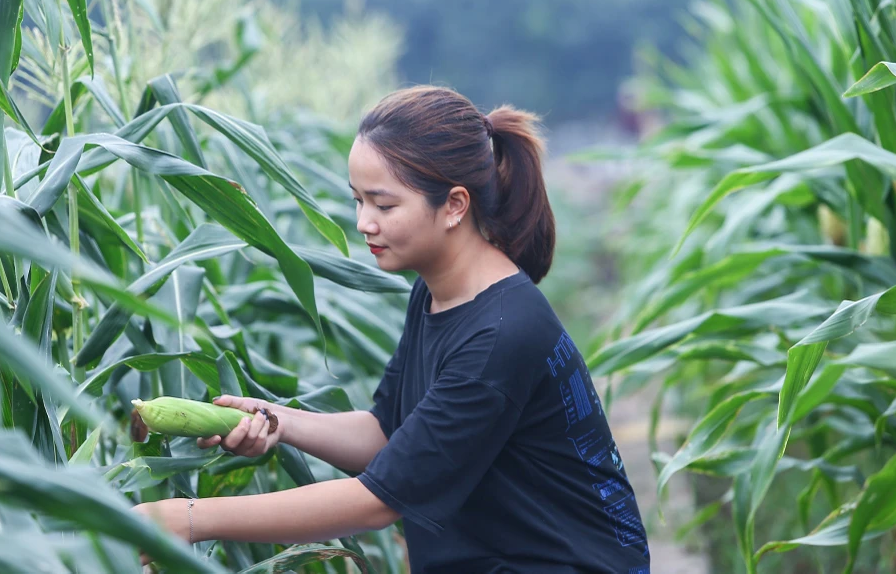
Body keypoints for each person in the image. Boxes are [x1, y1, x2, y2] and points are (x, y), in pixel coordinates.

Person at [134, 85, 650, 574]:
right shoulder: (437, 292)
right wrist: (277, 421)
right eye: (358, 200)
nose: (364, 222)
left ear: (454, 205)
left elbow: (376, 500)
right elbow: (390, 435)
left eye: (383, 205)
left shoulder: (501, 333)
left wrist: (187, 518)